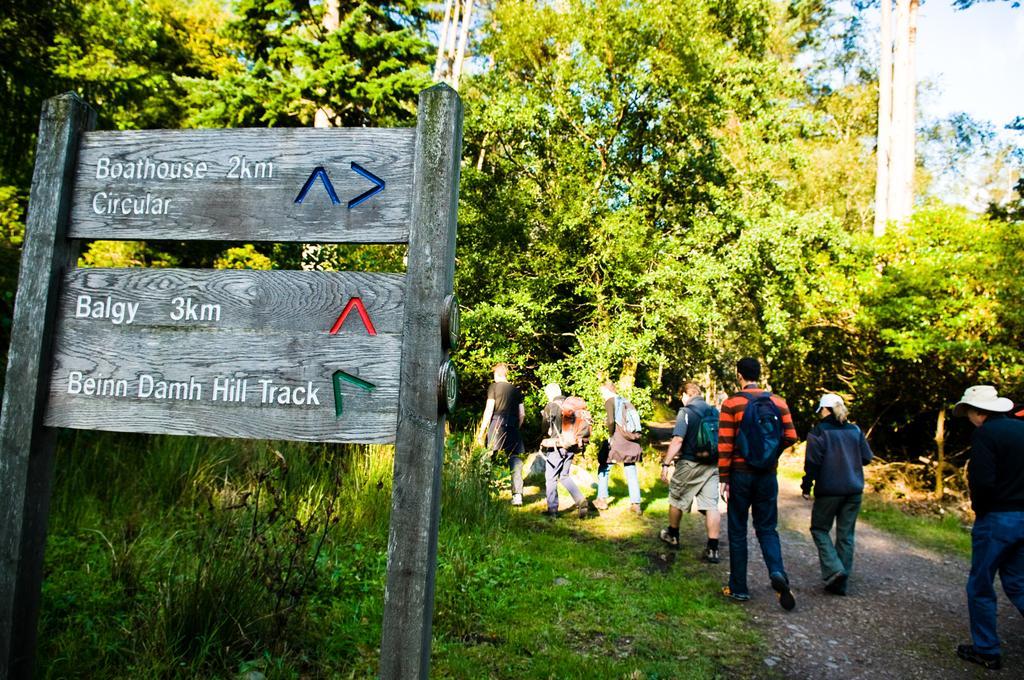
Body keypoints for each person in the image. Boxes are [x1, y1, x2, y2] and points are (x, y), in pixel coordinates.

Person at [952, 385, 1024, 671]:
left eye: (968, 412)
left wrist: (981, 511)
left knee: (981, 584)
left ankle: (986, 649)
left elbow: (982, 481)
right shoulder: (1021, 429)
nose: (969, 418)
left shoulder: (985, 434)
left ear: (978, 411)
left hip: (997, 519)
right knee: (1018, 582)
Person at [718, 357, 798, 610]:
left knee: (738, 530)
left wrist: (723, 478)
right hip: (767, 475)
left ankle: (739, 588)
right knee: (767, 528)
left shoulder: (732, 403)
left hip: (740, 474)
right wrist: (770, 455)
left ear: (739, 375)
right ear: (759, 374)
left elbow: (725, 444)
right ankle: (777, 572)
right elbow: (791, 436)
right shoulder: (778, 402)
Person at [800, 393, 873, 596]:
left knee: (819, 529)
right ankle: (841, 582)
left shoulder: (819, 432)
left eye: (821, 411)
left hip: (830, 491)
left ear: (825, 410)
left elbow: (812, 463)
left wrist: (806, 486)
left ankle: (834, 569)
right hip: (853, 490)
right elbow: (867, 458)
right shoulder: (855, 430)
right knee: (846, 535)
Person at [659, 382, 722, 563]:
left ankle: (673, 535)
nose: (682, 401)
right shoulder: (713, 411)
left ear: (686, 395)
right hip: (711, 465)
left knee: (676, 497)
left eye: (682, 397)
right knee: (711, 505)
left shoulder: (685, 412)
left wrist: (666, 463)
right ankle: (712, 548)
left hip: (690, 462)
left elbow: (678, 440)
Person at [475, 363, 526, 506]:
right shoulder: (516, 390)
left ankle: (484, 493)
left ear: (496, 374)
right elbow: (522, 414)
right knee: (515, 460)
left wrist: (481, 432)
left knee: (488, 457)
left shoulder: (493, 387)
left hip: (496, 425)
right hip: (513, 426)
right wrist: (516, 426)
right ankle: (517, 496)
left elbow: (489, 410)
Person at [539, 383, 590, 518]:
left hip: (558, 446)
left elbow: (544, 427)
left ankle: (552, 511)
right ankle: (580, 499)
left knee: (550, 477)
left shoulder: (552, 405)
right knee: (564, 476)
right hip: (572, 445)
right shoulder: (569, 404)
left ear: (549, 394)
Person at [593, 382, 643, 514]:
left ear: (608, 391)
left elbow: (610, 421)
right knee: (630, 469)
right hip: (632, 442)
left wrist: (610, 436)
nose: (602, 395)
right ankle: (636, 504)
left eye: (602, 392)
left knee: (604, 465)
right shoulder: (626, 401)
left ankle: (602, 500)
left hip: (618, 441)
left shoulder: (610, 401)